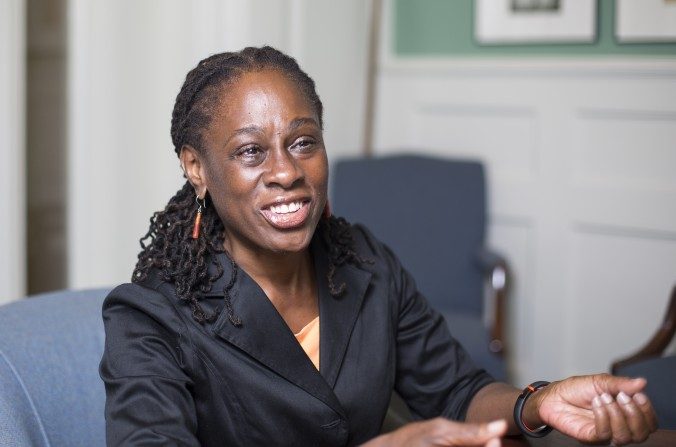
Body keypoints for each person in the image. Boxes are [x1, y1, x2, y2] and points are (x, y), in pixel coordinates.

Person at [100, 46, 658, 447]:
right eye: (250, 152)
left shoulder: (364, 262)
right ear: (196, 168)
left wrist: (536, 403)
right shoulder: (150, 316)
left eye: (303, 142)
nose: (287, 172)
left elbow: (457, 391)